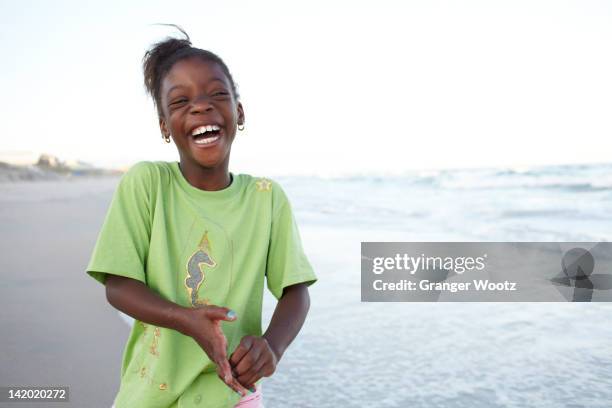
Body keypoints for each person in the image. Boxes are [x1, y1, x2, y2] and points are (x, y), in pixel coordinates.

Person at [86, 25, 317, 408]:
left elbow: (296, 291)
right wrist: (186, 319)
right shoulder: (148, 184)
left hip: (234, 393)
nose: (200, 106)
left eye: (217, 94)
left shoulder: (267, 198)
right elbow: (118, 284)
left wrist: (272, 348)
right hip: (152, 392)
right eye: (180, 102)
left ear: (238, 113)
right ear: (164, 127)